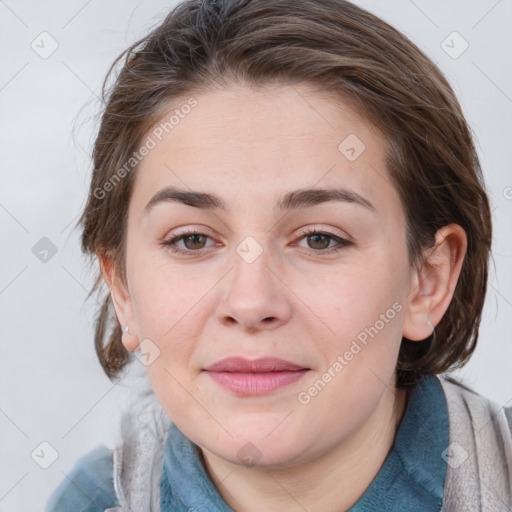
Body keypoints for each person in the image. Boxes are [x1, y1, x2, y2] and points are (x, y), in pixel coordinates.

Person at [45, 0, 512, 510]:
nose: (251, 303)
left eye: (319, 239)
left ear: (427, 278)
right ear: (123, 287)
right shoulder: (90, 500)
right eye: (192, 240)